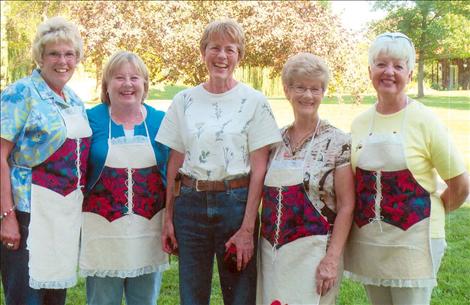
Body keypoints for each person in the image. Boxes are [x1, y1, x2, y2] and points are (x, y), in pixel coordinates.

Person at [156, 19, 282, 305]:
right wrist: (168, 219)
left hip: (236, 206)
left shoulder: (254, 101)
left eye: (230, 49)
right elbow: (174, 163)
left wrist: (248, 228)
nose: (221, 56)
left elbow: (259, 169)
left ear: (239, 56)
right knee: (192, 294)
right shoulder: (183, 100)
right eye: (214, 48)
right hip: (190, 204)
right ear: (203, 53)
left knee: (239, 294)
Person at [344, 32, 469, 305]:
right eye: (381, 64)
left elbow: (460, 185)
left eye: (398, 66)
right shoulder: (359, 124)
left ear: (409, 74)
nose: (389, 72)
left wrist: (434, 210)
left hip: (415, 242)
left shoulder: (425, 120)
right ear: (370, 71)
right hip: (371, 243)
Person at [0, 16, 91, 305]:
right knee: (26, 297)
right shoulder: (21, 93)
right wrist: (7, 217)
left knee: (55, 296)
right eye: (54, 53)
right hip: (28, 213)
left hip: (63, 216)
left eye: (69, 54)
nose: (62, 61)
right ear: (40, 56)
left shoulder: (74, 100)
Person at [257, 53, 355, 305]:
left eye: (315, 88)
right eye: (300, 87)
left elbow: (347, 206)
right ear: (287, 90)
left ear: (323, 92)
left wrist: (331, 259)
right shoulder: (274, 142)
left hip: (317, 254)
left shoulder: (338, 141)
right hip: (273, 256)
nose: (308, 96)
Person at [80, 51, 169, 305]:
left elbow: (174, 177)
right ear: (106, 85)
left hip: (148, 231)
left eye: (134, 78)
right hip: (102, 232)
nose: (127, 84)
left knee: (144, 301)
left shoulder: (160, 122)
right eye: (119, 78)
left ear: (145, 84)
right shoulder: (91, 119)